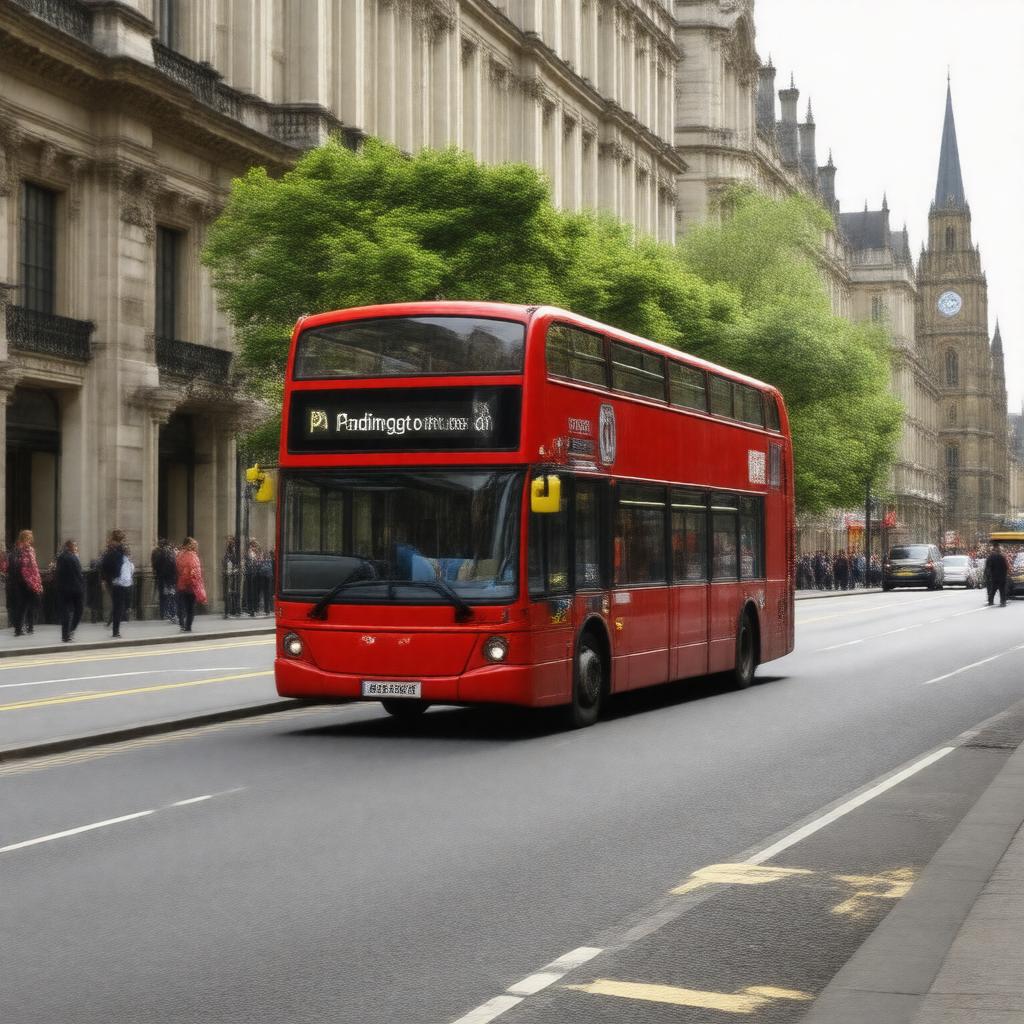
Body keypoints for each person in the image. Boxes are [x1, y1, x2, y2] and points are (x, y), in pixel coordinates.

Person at [7, 529, 43, 637]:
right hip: (21, 583)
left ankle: (30, 626)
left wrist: (37, 580)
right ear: (23, 538)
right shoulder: (18, 550)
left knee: (30, 605)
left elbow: (34, 566)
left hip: (30, 582)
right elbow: (17, 566)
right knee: (21, 606)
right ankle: (18, 629)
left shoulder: (31, 550)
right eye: (27, 538)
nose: (29, 540)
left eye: (30, 538)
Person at [100, 529, 131, 638]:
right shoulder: (118, 550)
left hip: (114, 580)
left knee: (118, 606)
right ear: (120, 540)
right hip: (118, 581)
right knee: (119, 606)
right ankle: (115, 631)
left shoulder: (111, 549)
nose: (125, 542)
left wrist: (105, 579)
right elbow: (109, 564)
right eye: (123, 539)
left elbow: (103, 564)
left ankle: (115, 629)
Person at [55, 539, 85, 642]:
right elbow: (78, 573)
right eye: (75, 546)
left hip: (64, 589)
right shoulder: (72, 557)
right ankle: (69, 632)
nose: (76, 548)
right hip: (74, 589)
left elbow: (58, 574)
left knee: (66, 612)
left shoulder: (62, 557)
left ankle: (66, 634)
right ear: (69, 547)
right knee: (78, 610)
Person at [176, 536, 207, 633]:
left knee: (182, 606)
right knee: (190, 608)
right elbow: (196, 573)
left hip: (182, 584)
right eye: (193, 544)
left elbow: (177, 569)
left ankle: (182, 624)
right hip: (190, 585)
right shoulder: (193, 556)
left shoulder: (179, 555)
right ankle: (188, 626)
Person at [151, 538, 177, 622]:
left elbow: (154, 565)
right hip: (169, 577)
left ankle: (164, 613)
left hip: (161, 576)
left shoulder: (156, 552)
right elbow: (174, 565)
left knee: (163, 596)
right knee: (170, 595)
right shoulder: (170, 552)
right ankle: (170, 613)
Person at [984, 541, 1010, 607]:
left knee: (993, 590)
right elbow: (1006, 567)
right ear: (999, 550)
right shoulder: (1002, 557)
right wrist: (1005, 574)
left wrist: (988, 576)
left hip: (994, 577)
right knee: (1002, 590)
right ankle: (1003, 602)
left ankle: (990, 601)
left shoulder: (990, 558)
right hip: (1002, 576)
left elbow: (988, 568)